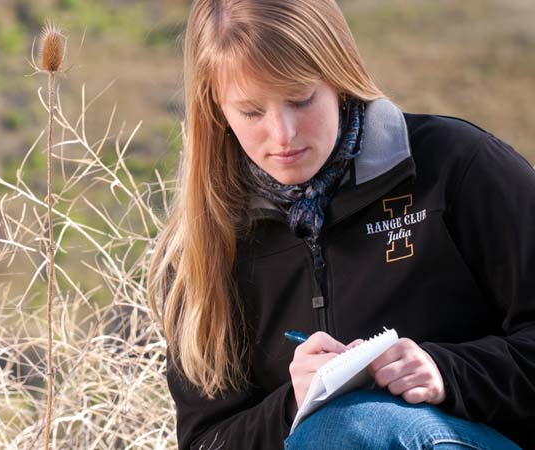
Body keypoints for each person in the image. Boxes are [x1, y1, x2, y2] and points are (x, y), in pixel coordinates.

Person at [147, 0, 535, 449]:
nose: (283, 134)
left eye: (300, 99)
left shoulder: (459, 167)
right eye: (252, 112)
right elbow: (205, 442)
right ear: (216, 110)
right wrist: (293, 405)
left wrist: (447, 371)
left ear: (339, 80)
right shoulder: (200, 248)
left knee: (354, 426)